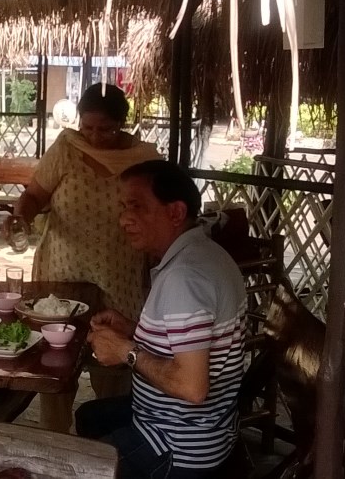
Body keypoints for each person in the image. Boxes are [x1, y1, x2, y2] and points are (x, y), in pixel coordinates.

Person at [76, 161, 249, 477]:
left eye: (137, 207)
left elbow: (192, 387)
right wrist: (133, 328)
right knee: (91, 416)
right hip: (207, 428)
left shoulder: (184, 277)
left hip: (179, 444)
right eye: (124, 207)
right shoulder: (205, 254)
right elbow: (194, 339)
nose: (124, 219)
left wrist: (126, 351)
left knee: (76, 466)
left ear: (175, 213)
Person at [4, 83, 161, 430]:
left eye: (105, 129)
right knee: (56, 364)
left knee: (114, 368)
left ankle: (111, 448)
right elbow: (34, 194)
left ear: (123, 123)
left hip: (118, 278)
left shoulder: (144, 159)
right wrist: (21, 217)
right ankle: (55, 447)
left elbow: (156, 215)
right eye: (87, 127)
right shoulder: (66, 147)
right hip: (63, 277)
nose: (94, 136)